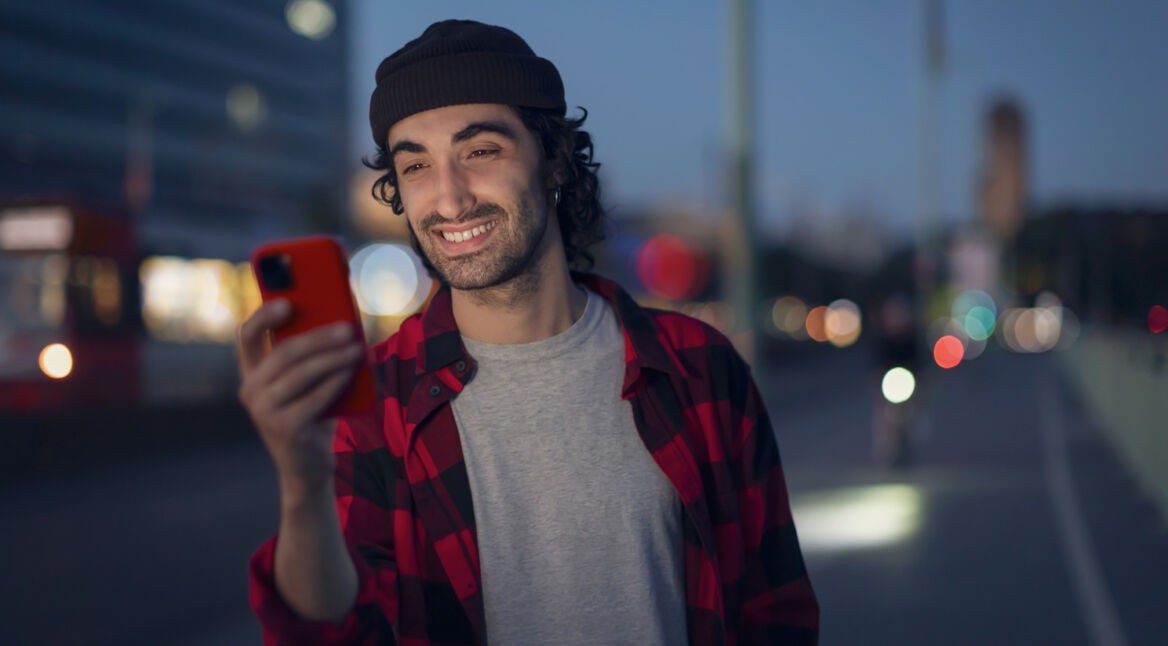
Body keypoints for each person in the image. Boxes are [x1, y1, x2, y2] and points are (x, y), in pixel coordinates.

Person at [239, 19, 819, 645]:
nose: (450, 199)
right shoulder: (373, 402)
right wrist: (302, 486)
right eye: (416, 166)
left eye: (481, 152)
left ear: (555, 160)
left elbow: (775, 611)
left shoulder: (699, 367)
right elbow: (330, 635)